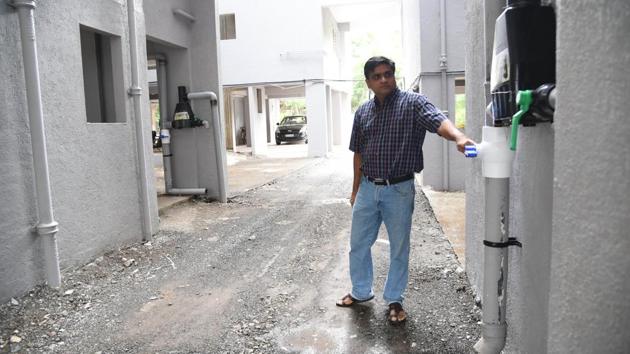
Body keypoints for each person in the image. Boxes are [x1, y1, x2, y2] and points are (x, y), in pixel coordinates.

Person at [335, 56, 474, 324]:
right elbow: (358, 154)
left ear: (394, 76)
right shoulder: (362, 112)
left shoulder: (412, 103)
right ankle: (361, 291)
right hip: (367, 187)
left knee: (399, 247)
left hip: (398, 189)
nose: (384, 79)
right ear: (368, 82)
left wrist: (458, 136)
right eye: (377, 76)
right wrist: (355, 190)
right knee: (358, 245)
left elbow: (437, 120)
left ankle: (394, 299)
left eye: (388, 74)